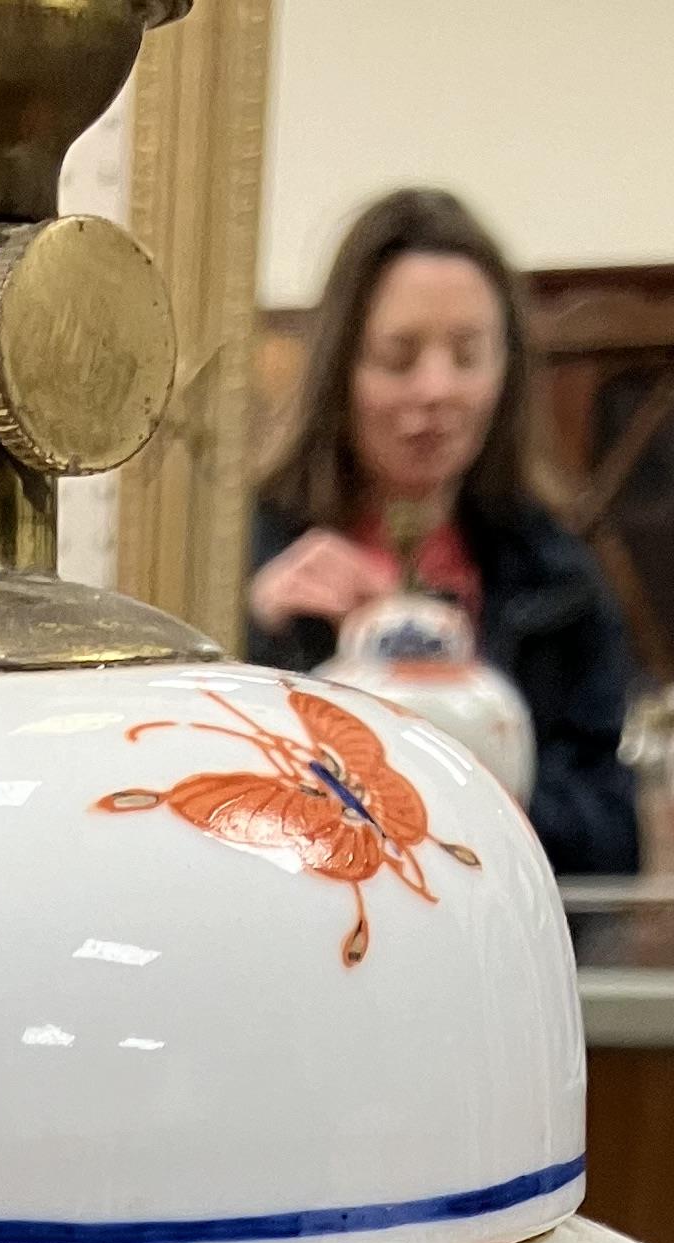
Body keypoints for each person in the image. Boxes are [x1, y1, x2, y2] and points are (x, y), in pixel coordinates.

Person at [249, 188, 638, 880]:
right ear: (341, 371)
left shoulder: (560, 579)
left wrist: (465, 773)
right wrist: (256, 639)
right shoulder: (250, 553)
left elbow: (613, 840)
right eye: (398, 358)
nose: (435, 390)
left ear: (506, 373)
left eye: (467, 356)